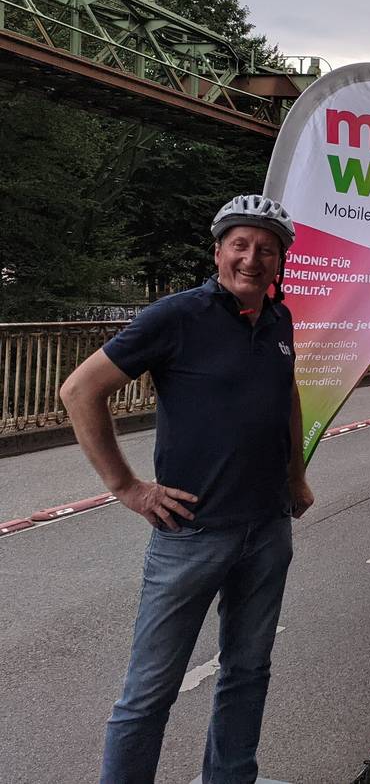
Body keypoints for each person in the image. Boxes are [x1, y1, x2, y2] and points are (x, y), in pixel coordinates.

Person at [59, 194, 314, 784]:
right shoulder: (177, 316)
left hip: (267, 526)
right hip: (191, 534)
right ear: (219, 250)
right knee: (150, 691)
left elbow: (287, 394)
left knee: (248, 672)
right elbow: (80, 391)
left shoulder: (280, 319)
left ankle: (232, 778)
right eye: (240, 245)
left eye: (266, 249)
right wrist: (127, 487)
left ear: (280, 261)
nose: (252, 259)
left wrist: (295, 474)